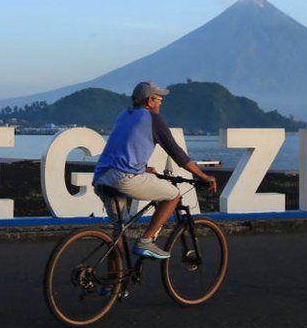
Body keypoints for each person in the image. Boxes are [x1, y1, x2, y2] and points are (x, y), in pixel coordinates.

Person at [93, 81, 218, 259]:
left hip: (102, 177)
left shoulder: (124, 115)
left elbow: (123, 147)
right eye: (159, 99)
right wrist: (204, 176)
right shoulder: (153, 118)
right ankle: (146, 240)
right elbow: (178, 154)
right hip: (125, 178)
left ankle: (114, 284)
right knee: (173, 195)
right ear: (150, 101)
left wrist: (143, 168)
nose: (160, 103)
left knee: (119, 231)